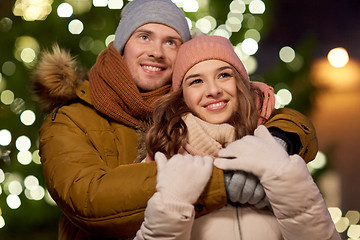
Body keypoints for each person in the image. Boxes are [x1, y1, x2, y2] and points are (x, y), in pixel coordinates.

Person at [31, 0, 318, 239]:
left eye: (171, 42)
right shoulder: (70, 116)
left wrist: (282, 140)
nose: (156, 52)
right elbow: (89, 198)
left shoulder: (193, 101)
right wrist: (222, 184)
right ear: (120, 46)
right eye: (144, 36)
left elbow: (270, 112)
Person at [134, 35, 340, 240]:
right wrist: (172, 205)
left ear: (240, 83)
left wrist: (283, 178)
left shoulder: (270, 146)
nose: (213, 90)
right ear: (182, 96)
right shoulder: (164, 156)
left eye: (223, 75)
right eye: (196, 81)